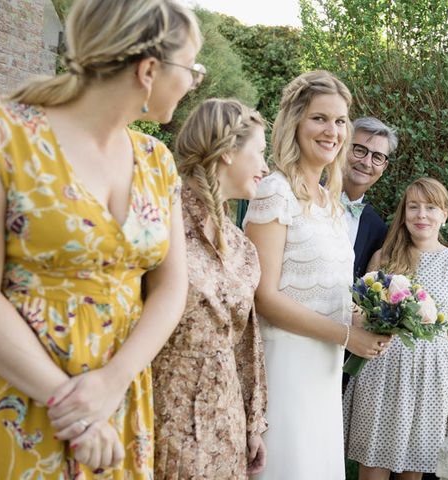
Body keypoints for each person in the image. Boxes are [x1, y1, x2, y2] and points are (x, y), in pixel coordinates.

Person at [0, 0, 201, 477]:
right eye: (192, 68)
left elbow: (170, 288)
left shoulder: (158, 161)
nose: (194, 81)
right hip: (19, 396)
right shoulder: (4, 133)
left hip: (118, 402)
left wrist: (112, 383)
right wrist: (74, 409)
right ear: (148, 70)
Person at [243, 70, 391, 480]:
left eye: (341, 120)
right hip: (286, 364)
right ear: (295, 123)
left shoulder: (331, 203)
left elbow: (328, 291)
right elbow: (264, 297)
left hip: (324, 369)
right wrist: (347, 336)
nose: (333, 131)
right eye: (320, 119)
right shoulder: (275, 191)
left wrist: (362, 321)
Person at [151, 98, 269, 479]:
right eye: (260, 153)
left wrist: (254, 423)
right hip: (163, 403)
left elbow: (247, 342)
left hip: (226, 416)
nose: (266, 168)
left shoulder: (242, 248)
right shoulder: (161, 220)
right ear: (229, 150)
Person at [344, 177, 448, 480]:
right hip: (381, 372)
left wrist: (435, 371)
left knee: (411, 471)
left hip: (429, 379)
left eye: (431, 207)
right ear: (404, 214)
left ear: (445, 213)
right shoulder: (384, 258)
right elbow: (359, 312)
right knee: (372, 466)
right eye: (413, 207)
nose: (421, 215)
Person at [342, 117, 397, 279]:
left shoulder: (378, 230)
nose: (366, 163)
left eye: (377, 157)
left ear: (384, 167)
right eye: (359, 150)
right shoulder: (307, 196)